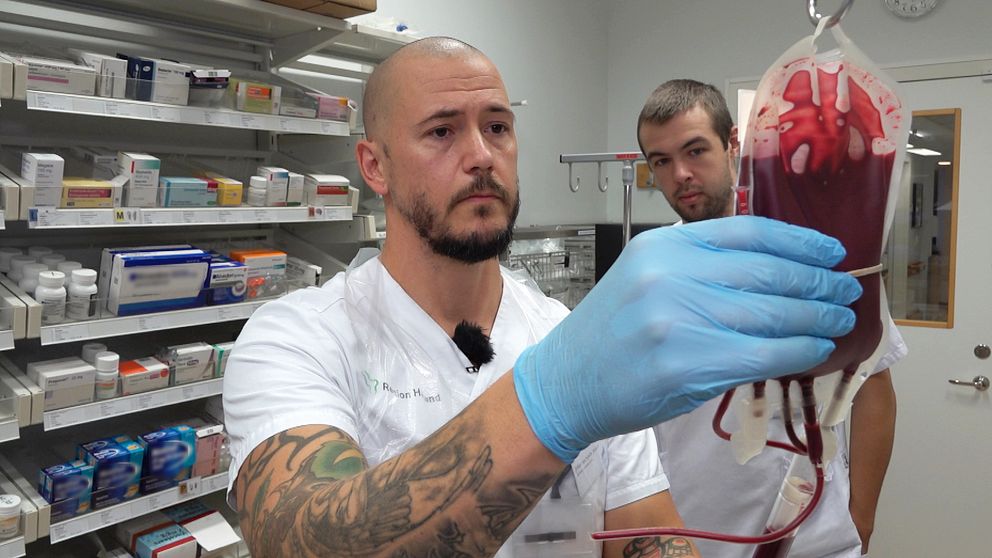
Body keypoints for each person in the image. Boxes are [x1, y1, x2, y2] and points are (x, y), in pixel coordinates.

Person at [222, 39, 862, 558]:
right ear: (375, 166)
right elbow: (299, 538)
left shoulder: (572, 334)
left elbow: (647, 532)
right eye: (441, 132)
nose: (481, 156)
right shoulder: (298, 338)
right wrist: (550, 401)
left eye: (497, 127)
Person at [636, 79, 905, 557]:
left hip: (815, 536)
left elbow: (873, 387)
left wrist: (861, 515)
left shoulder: (817, 254)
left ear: (732, 143)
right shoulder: (646, 274)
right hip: (693, 533)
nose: (681, 174)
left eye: (695, 150)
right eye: (661, 161)